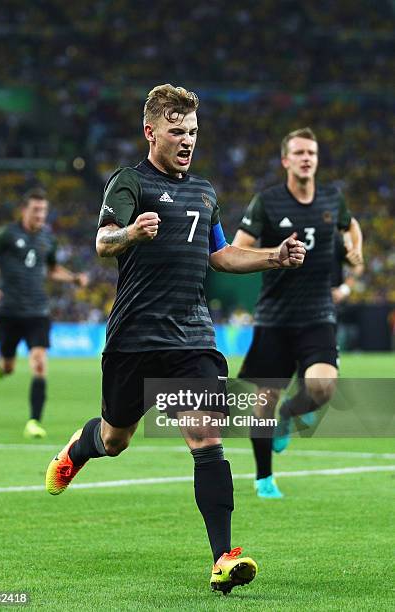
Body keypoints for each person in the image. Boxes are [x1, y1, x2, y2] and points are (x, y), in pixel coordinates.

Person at [45, 84, 306, 594]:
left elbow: (222, 255)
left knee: (207, 440)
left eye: (192, 132)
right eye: (176, 131)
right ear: (151, 132)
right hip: (133, 338)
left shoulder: (205, 192)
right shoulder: (129, 183)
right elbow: (102, 242)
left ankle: (224, 558)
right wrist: (130, 235)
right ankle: (81, 447)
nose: (187, 141)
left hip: (191, 338)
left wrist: (274, 256)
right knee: (115, 439)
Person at [232, 127, 363, 499]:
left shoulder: (332, 199)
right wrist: (275, 255)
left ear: (317, 160)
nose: (307, 158)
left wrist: (356, 250)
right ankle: (264, 479)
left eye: (312, 153)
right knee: (263, 403)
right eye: (300, 153)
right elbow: (239, 248)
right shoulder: (267, 202)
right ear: (286, 160)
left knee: (323, 388)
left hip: (318, 313)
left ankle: (289, 415)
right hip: (274, 317)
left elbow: (351, 226)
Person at [0, 188, 88, 439]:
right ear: (24, 210)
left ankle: (34, 421)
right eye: (36, 210)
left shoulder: (48, 239)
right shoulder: (7, 234)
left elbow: (53, 269)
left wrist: (73, 278)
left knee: (39, 362)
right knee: (9, 366)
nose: (40, 215)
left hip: (38, 311)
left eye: (43, 210)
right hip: (9, 312)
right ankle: (2, 366)